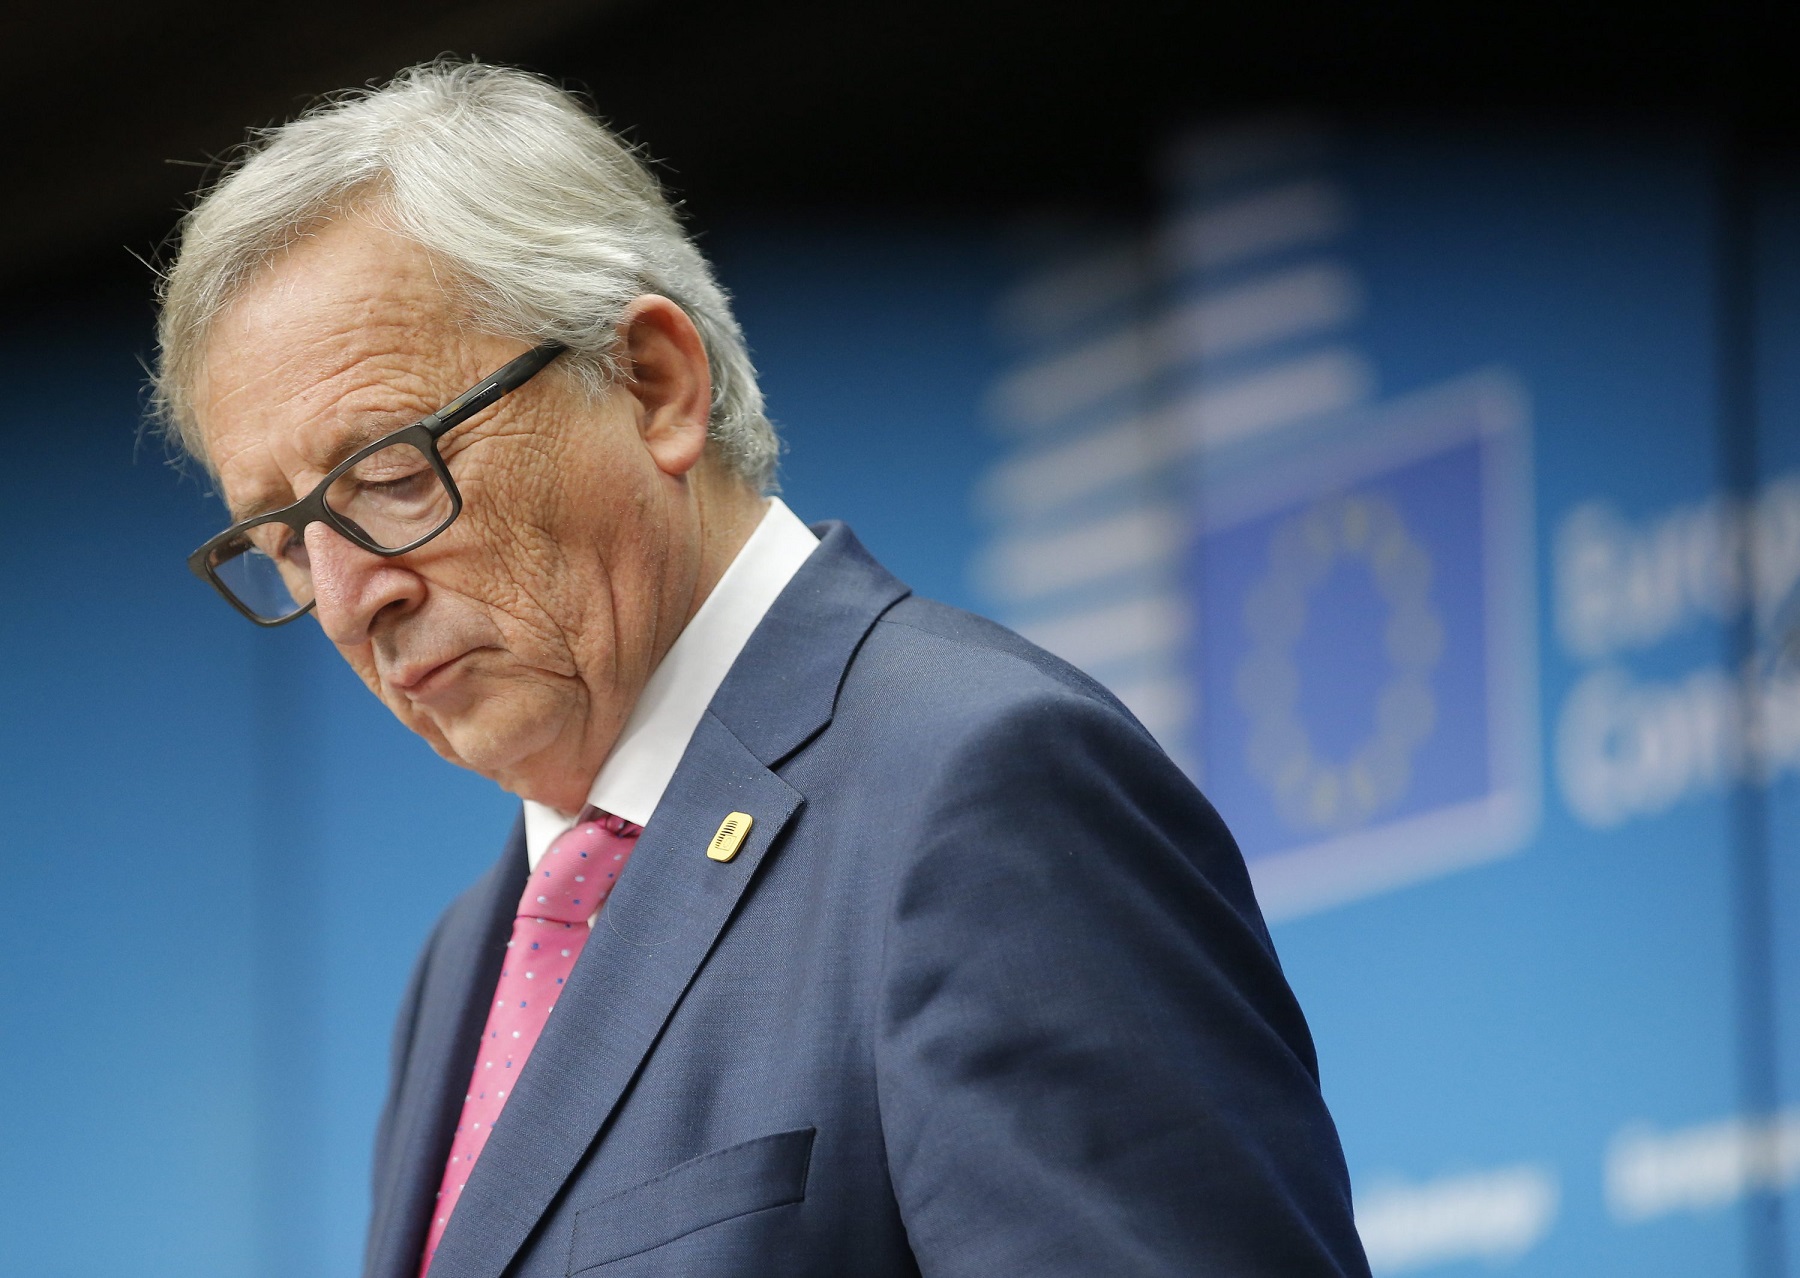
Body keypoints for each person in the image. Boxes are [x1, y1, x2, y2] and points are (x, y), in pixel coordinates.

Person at [154, 61, 1372, 1278]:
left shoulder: (979, 788)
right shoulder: (465, 962)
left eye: (389, 475)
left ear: (653, 386)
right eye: (281, 541)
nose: (351, 596)